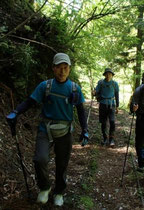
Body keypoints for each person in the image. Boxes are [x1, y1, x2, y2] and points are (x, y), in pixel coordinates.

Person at [6, 53, 89, 206]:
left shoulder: (75, 89)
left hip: (65, 130)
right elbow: (30, 102)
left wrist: (85, 129)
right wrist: (16, 112)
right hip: (46, 129)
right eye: (59, 68)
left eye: (65, 68)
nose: (62, 71)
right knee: (40, 159)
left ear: (69, 69)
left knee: (62, 163)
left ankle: (59, 191)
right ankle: (45, 187)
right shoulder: (45, 86)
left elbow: (81, 110)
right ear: (53, 68)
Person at [94, 68, 119, 146]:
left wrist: (117, 106)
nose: (108, 75)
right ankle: (105, 138)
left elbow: (117, 95)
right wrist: (94, 92)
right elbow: (96, 91)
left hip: (111, 105)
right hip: (103, 104)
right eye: (107, 74)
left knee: (112, 121)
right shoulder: (101, 83)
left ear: (112, 75)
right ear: (104, 75)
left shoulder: (115, 84)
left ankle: (111, 139)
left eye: (110, 74)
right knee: (103, 122)